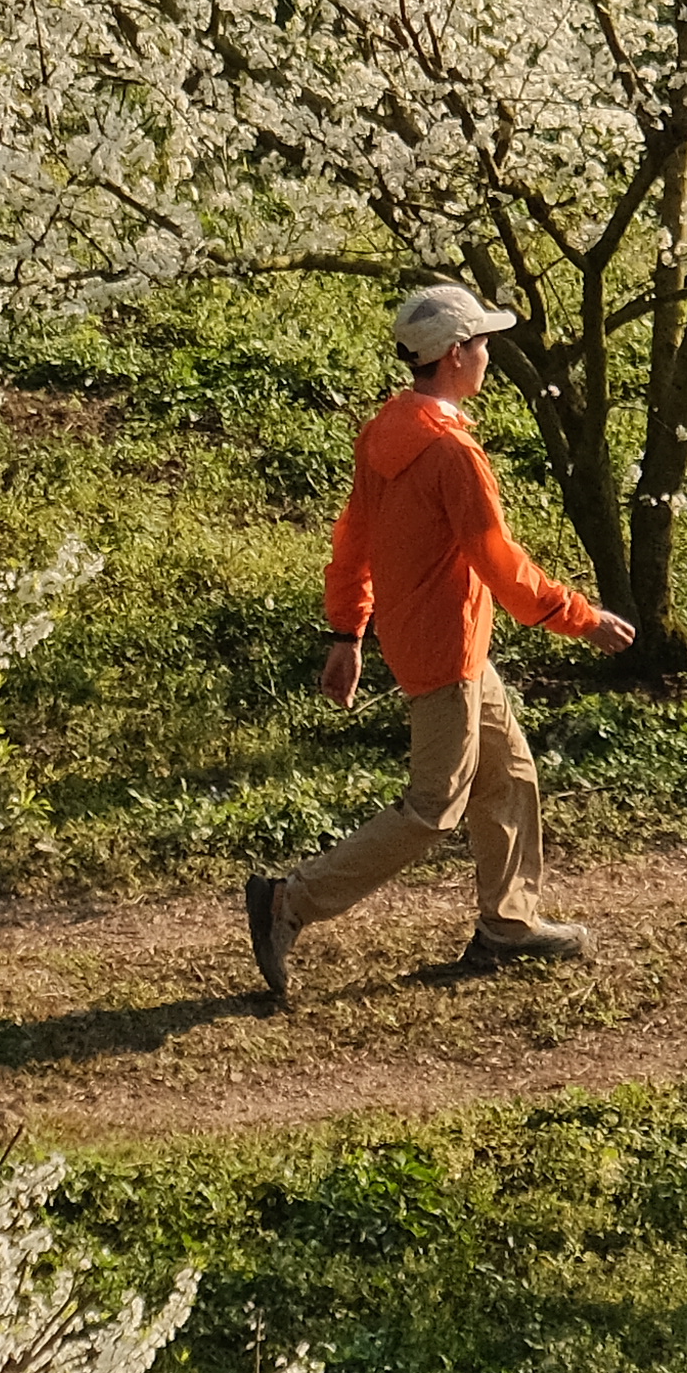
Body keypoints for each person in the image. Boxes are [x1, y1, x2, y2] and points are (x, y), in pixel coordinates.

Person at [243, 282, 638, 1006]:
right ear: (456, 355)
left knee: (510, 777)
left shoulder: (387, 427)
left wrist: (346, 632)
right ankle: (288, 904)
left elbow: (352, 540)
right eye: (483, 344)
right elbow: (503, 566)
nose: (489, 355)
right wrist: (583, 618)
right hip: (448, 652)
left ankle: (509, 926)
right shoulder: (453, 455)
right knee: (434, 807)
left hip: (434, 641)